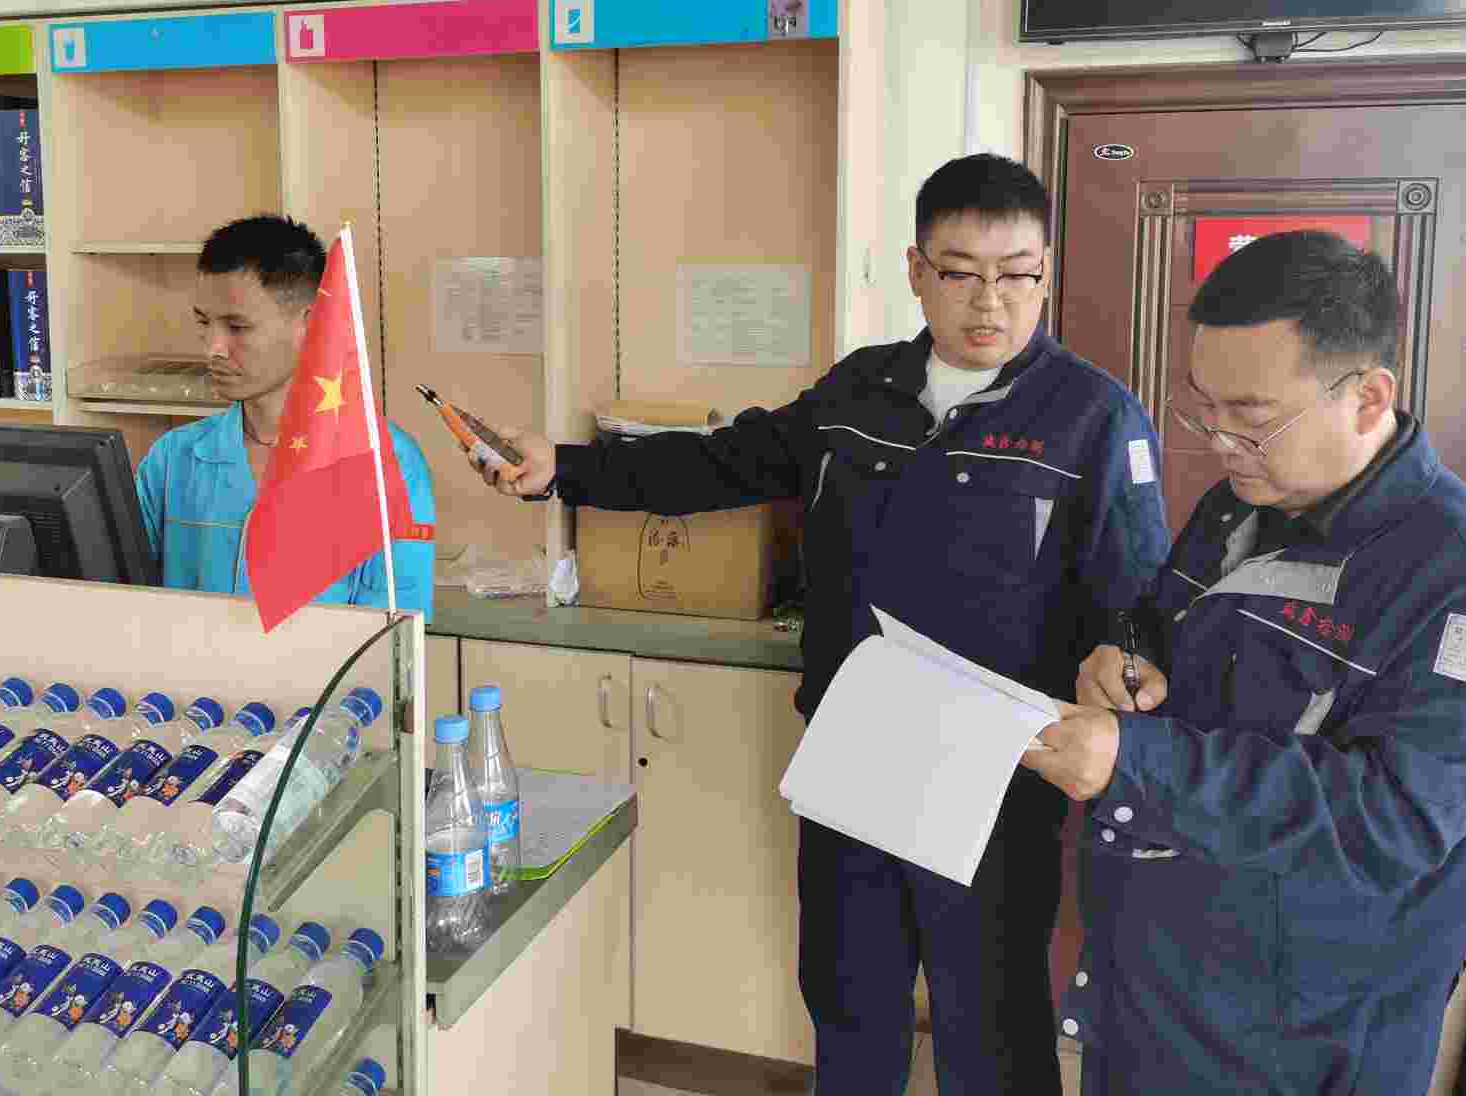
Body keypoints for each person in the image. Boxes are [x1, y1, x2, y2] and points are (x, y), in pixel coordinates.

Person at [474, 155, 1169, 1093]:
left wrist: (1126, 660)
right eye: (961, 272)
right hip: (857, 749)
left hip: (998, 776)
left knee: (992, 1016)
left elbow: (1137, 594)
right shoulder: (860, 392)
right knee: (849, 998)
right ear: (917, 270)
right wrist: (563, 468)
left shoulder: (1093, 416)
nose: (991, 302)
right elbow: (722, 465)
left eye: (1019, 274)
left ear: (1046, 272)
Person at [1025, 230, 1466, 1096]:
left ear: (1368, 398)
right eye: (1206, 408)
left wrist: (1134, 760)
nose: (1220, 441)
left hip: (1300, 1043)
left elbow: (1391, 821)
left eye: (1253, 415)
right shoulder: (1237, 508)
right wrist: (1129, 654)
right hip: (1159, 994)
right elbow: (1161, 619)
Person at [135, 214, 436, 616]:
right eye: (204, 323)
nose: (213, 348)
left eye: (237, 327)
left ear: (311, 325)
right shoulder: (173, 459)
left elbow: (396, 637)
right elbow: (120, 598)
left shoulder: (388, 464)